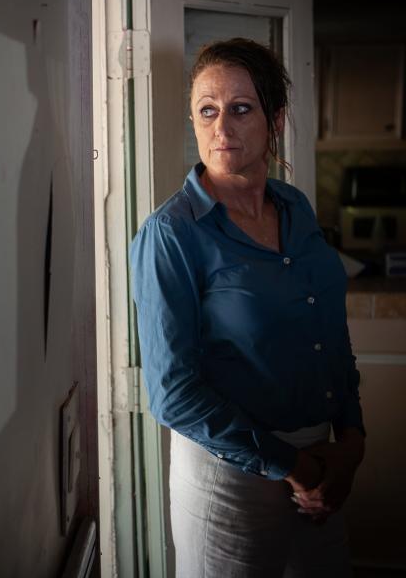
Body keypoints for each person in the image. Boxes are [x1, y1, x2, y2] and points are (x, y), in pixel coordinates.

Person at [129, 38, 365, 577]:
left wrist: (350, 443)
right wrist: (294, 465)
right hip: (229, 479)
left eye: (240, 109)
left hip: (323, 465)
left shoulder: (296, 207)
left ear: (274, 118)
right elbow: (174, 395)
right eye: (207, 111)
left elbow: (330, 335)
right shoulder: (171, 234)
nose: (221, 128)